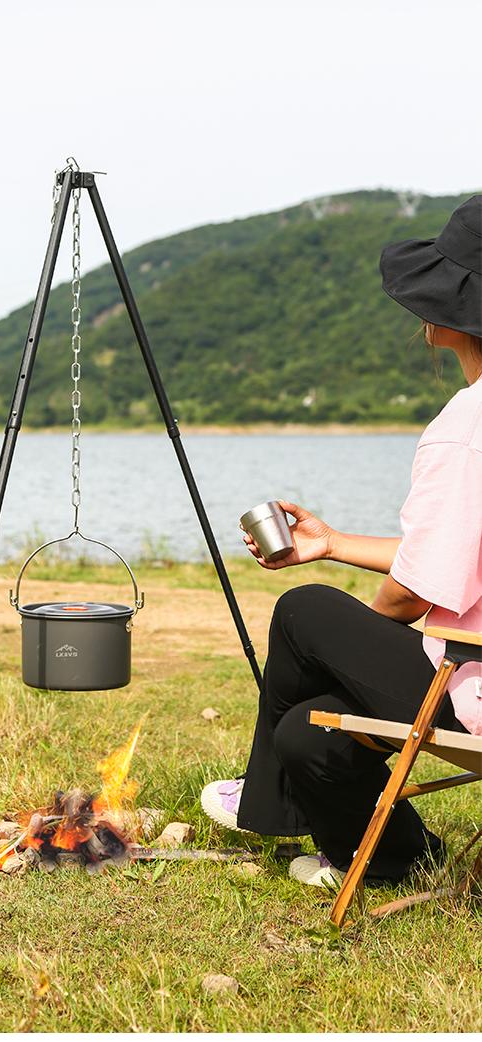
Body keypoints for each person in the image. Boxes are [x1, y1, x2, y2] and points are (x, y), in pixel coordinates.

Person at [201, 195, 482, 887]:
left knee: (307, 613)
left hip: (471, 681)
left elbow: (411, 594)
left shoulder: (465, 429)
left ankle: (264, 798)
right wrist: (329, 542)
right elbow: (454, 559)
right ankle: (399, 858)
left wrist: (351, 642)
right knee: (305, 730)